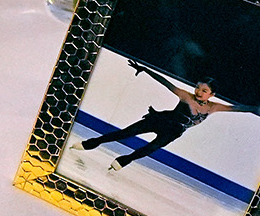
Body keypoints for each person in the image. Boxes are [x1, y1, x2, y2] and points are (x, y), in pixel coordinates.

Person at [80, 66, 242, 172]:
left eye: (204, 90)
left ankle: (124, 161)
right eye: (198, 87)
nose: (199, 92)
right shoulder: (187, 97)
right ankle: (92, 143)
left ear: (211, 94)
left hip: (173, 132)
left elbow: (238, 109)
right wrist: (144, 69)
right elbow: (166, 83)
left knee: (150, 148)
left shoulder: (212, 108)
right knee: (124, 133)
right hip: (160, 120)